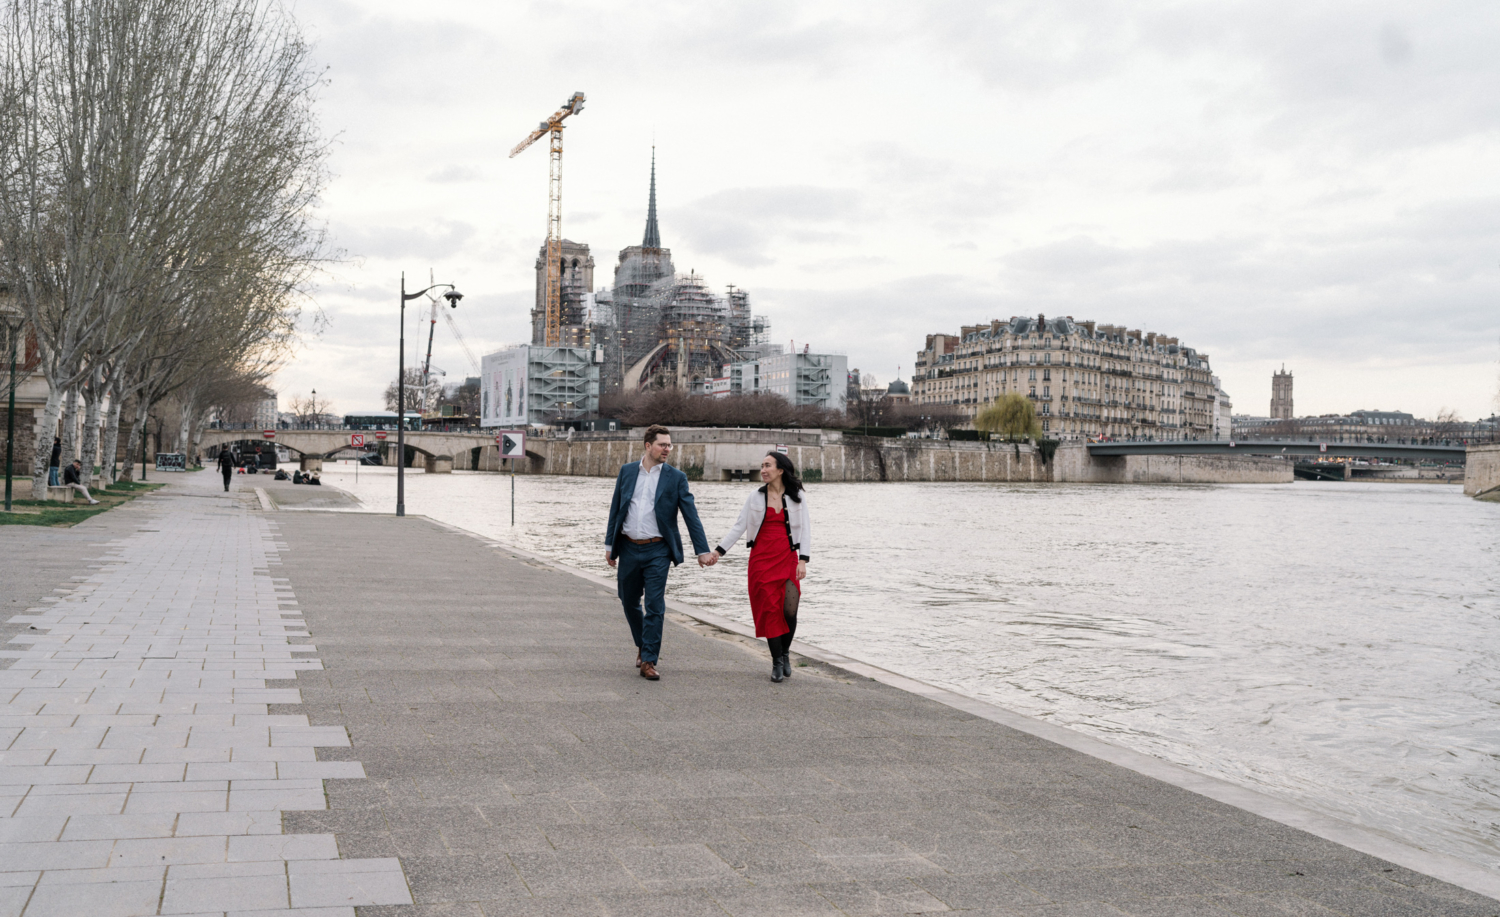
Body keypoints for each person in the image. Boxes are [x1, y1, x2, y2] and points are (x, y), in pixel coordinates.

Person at [603, 424, 713, 680]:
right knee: (628, 601)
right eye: (663, 444)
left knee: (654, 605)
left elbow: (690, 516)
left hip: (658, 550)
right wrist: (610, 545)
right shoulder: (627, 471)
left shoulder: (676, 477)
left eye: (669, 445)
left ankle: (649, 660)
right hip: (628, 546)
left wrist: (702, 550)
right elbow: (616, 509)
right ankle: (643, 643)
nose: (667, 449)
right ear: (648, 446)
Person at [714, 451, 811, 682]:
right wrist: (718, 551)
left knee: (790, 611)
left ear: (780, 470)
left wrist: (803, 560)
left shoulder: (797, 496)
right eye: (762, 466)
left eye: (768, 465)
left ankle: (786, 652)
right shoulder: (755, 496)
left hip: (788, 558)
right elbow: (739, 526)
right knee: (769, 610)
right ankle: (776, 662)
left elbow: (806, 528)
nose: (763, 470)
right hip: (762, 561)